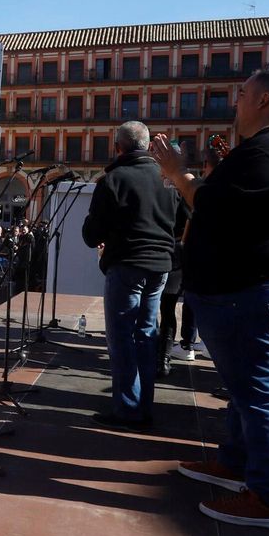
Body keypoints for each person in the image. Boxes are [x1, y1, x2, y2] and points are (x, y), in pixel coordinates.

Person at [151, 65, 269, 531]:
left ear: (265, 100)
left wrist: (178, 174)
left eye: (242, 93)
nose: (235, 101)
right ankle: (234, 463)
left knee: (259, 394)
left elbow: (209, 204)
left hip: (257, 291)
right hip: (254, 287)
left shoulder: (267, 151)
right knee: (246, 391)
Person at [82, 121, 181, 430]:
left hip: (126, 263)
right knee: (146, 334)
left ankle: (128, 408)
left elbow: (91, 233)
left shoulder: (114, 179)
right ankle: (144, 405)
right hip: (161, 265)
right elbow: (178, 225)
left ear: (119, 147)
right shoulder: (167, 179)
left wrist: (105, 233)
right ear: (148, 145)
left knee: (122, 337)